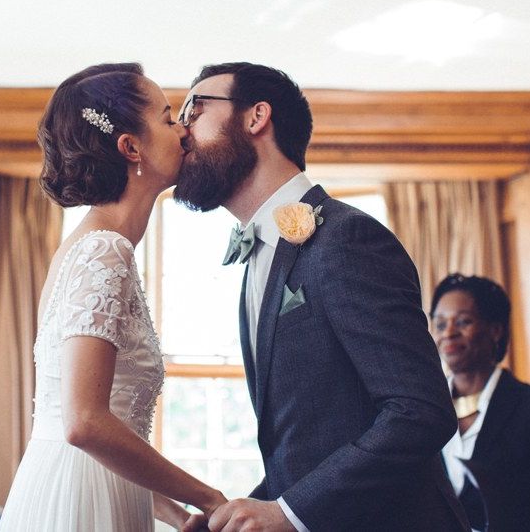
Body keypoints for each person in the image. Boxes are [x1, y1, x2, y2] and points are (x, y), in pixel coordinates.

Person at [175, 62, 469, 532]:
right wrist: (241, 515)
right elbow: (310, 441)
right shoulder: (260, 256)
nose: (181, 130)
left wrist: (289, 514)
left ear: (256, 117)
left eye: (193, 109)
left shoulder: (347, 237)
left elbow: (421, 412)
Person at [0, 63, 225, 531]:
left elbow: (93, 427)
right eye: (167, 118)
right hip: (77, 505)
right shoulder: (103, 250)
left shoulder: (88, 247)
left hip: (94, 490)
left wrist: (177, 515)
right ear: (130, 146)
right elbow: (83, 423)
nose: (182, 130)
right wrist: (209, 497)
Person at [431, 273, 530, 531]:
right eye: (440, 325)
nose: (449, 333)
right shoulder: (424, 410)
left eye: (463, 321)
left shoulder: (524, 405)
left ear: (495, 330)